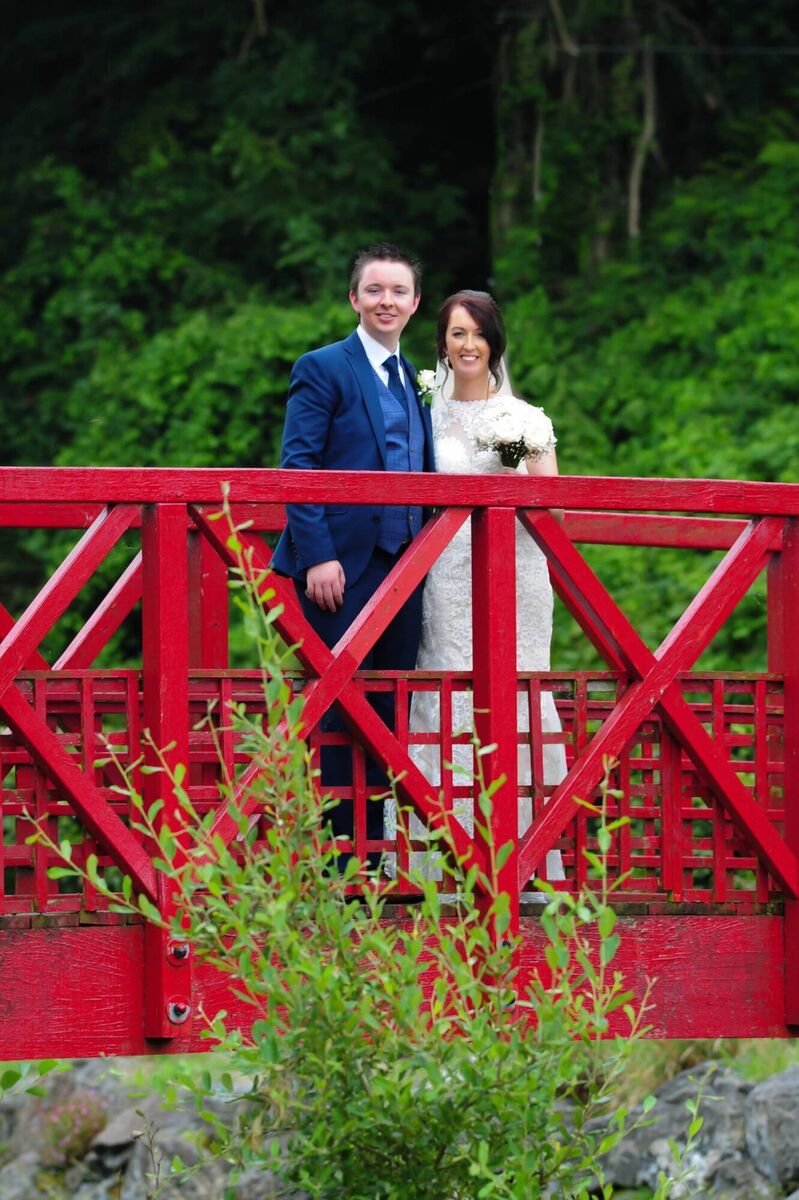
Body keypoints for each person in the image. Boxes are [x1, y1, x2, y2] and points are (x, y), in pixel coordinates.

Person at [387, 289, 566, 890]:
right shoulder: (422, 415)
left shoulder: (523, 419)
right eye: (457, 334)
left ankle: (523, 851)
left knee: (516, 689)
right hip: (441, 572)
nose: (468, 345)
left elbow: (550, 513)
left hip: (512, 573)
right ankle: (433, 857)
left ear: (495, 343)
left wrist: (514, 470)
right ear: (441, 342)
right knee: (441, 683)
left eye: (479, 334)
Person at [272, 243, 436, 862]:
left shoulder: (418, 380)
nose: (386, 301)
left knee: (389, 714)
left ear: (415, 303)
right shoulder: (324, 367)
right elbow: (298, 465)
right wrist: (316, 555)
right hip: (339, 569)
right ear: (354, 298)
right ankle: (339, 864)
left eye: (398, 292)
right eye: (375, 290)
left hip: (406, 568)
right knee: (338, 715)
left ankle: (375, 856)